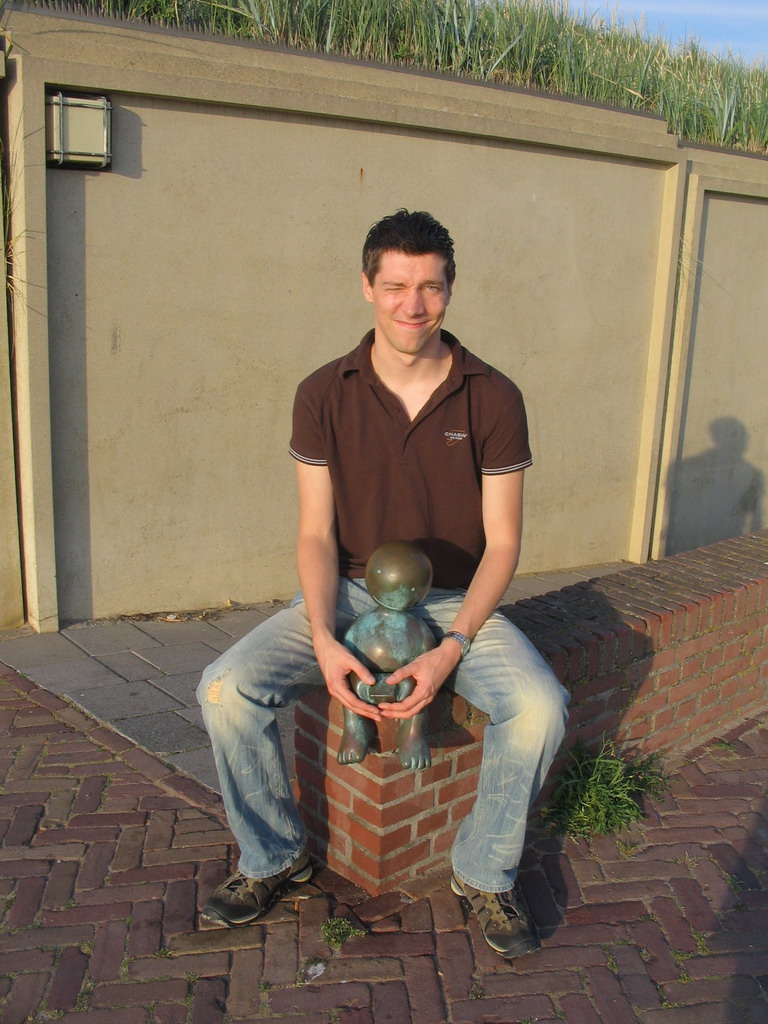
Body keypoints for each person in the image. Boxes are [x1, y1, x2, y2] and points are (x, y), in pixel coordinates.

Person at [197, 209, 569, 959]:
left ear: (450, 291)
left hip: (455, 599)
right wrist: (326, 636)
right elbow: (313, 533)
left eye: (430, 287)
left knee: (540, 709)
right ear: (367, 286)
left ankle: (484, 871)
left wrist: (453, 645)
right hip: (351, 592)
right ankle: (275, 856)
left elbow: (504, 543)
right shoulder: (322, 393)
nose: (413, 304)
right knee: (224, 687)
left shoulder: (493, 397)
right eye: (396, 285)